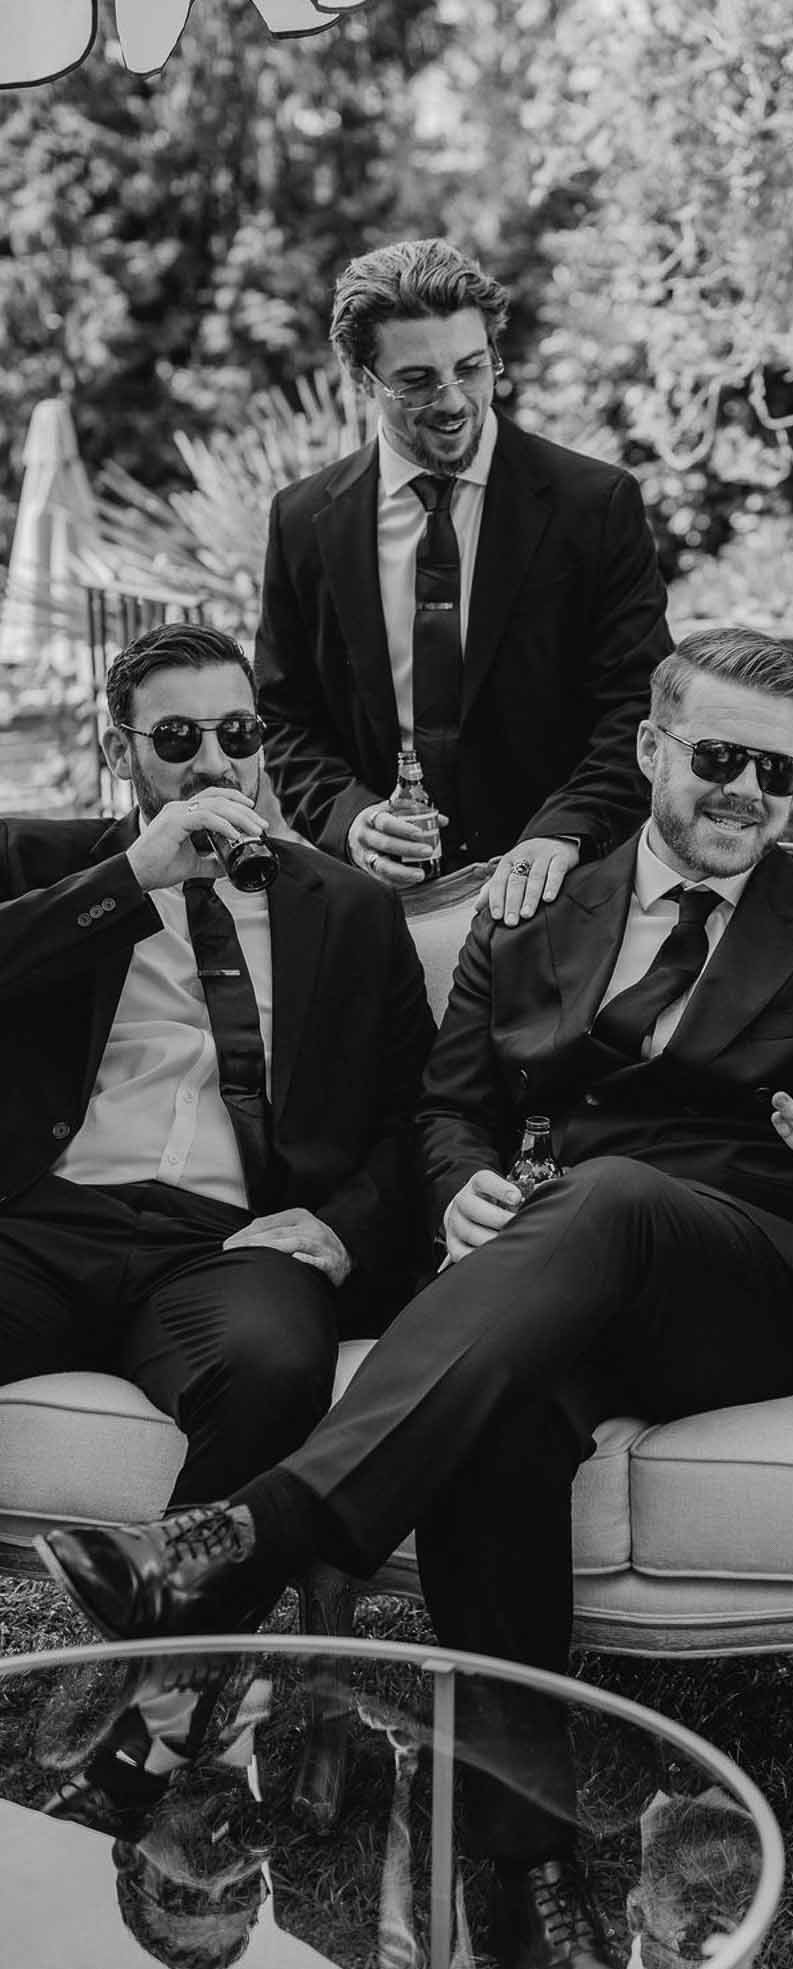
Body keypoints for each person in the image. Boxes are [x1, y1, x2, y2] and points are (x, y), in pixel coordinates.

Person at [37, 626, 793, 1969]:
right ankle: (521, 1883)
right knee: (500, 1429)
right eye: (717, 758)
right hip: (545, 1273)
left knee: (606, 1194)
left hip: (742, 1274)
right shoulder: (536, 909)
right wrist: (464, 1183)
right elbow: (448, 1103)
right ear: (651, 750)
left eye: (776, 773)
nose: (745, 794)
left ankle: (257, 1530)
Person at [1, 622, 435, 1507]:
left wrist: (345, 1227)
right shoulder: (34, 861)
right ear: (119, 750)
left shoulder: (349, 910)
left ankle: (171, 1611)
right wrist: (129, 878)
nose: (213, 763)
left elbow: (414, 1112)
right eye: (176, 738)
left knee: (274, 1365)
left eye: (236, 734)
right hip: (41, 1224)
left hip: (225, 1241)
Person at [254, 235, 672, 924]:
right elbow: (285, 716)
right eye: (417, 380)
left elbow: (637, 706)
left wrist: (562, 833)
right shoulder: (301, 520)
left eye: (472, 368)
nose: (453, 401)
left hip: (566, 897)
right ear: (362, 379)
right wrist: (350, 821)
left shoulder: (594, 506)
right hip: (377, 910)